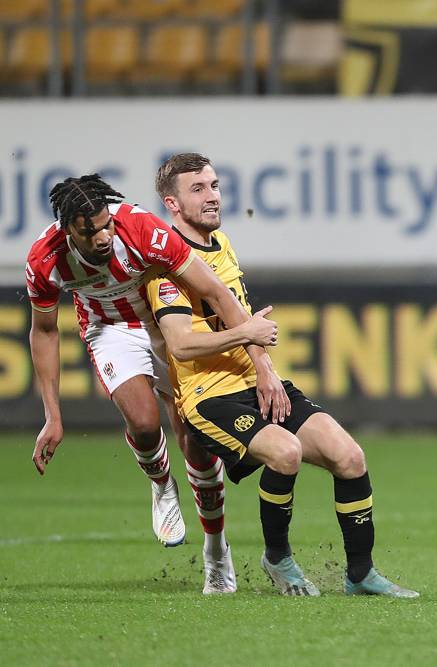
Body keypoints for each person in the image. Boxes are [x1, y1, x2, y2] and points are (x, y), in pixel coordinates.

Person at [147, 152, 418, 598]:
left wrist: (266, 370)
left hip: (254, 382)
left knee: (349, 457)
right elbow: (181, 345)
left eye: (214, 185)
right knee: (286, 453)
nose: (212, 196)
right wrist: (244, 333)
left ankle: (361, 574)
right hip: (208, 397)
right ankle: (278, 558)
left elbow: (240, 315)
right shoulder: (166, 268)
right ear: (171, 204)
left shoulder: (221, 244)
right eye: (197, 189)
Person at [26, 174, 288, 593]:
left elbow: (216, 291)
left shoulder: (141, 229)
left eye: (104, 223)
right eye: (87, 231)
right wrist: (52, 417)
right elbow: (44, 332)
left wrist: (262, 363)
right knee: (146, 425)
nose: (101, 237)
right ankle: (161, 484)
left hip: (166, 321)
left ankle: (216, 550)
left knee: (196, 445)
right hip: (110, 328)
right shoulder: (45, 259)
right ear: (67, 230)